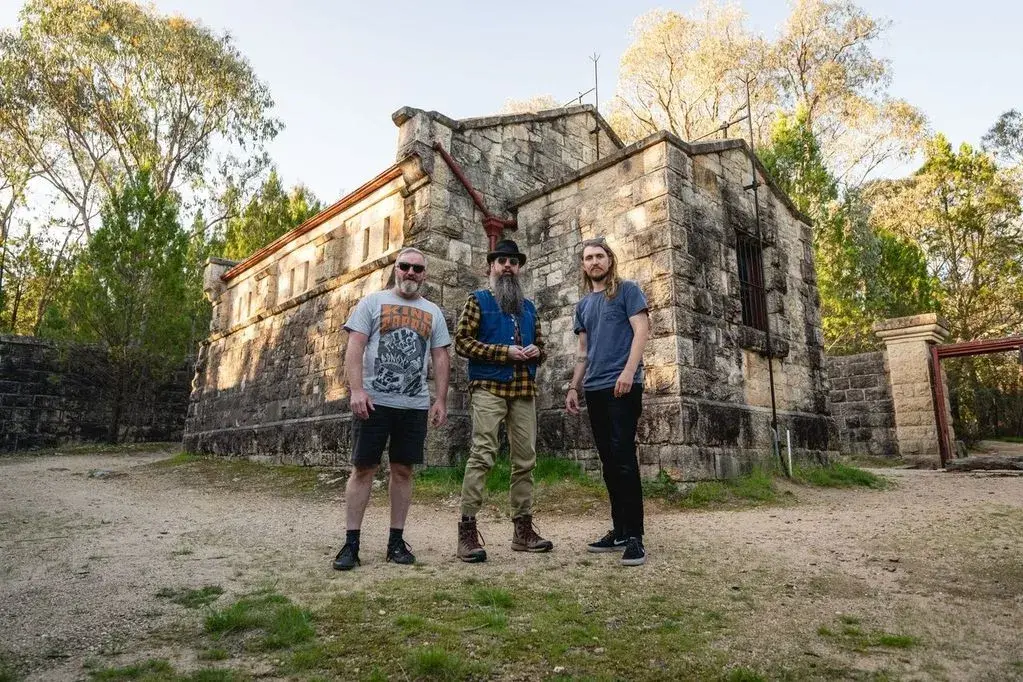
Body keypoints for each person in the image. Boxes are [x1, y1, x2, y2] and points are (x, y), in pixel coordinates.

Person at [332, 247, 451, 571]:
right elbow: (354, 346)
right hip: (373, 402)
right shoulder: (372, 303)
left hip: (413, 404)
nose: (411, 273)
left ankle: (395, 542)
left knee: (403, 470)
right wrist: (356, 390)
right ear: (395, 268)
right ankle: (351, 543)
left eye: (417, 269)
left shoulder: (433, 312)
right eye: (405, 267)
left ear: (424, 274)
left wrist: (439, 399)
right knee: (363, 469)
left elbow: (441, 356)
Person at [453, 239, 554, 562]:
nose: (507, 266)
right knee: (483, 454)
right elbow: (462, 343)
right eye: (501, 261)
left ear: (519, 268)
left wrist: (538, 351)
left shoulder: (530, 307)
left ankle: (522, 530)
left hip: (524, 389)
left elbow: (541, 344)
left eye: (513, 261)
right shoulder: (478, 300)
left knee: (526, 460)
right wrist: (502, 352)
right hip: (488, 386)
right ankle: (467, 531)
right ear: (491, 267)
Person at [565, 237, 650, 566]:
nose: (594, 261)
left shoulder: (627, 291)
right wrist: (574, 387)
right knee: (609, 462)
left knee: (625, 458)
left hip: (623, 385)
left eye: (599, 256)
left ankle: (635, 537)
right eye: (588, 257)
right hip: (596, 388)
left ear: (610, 260)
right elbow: (583, 352)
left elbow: (641, 332)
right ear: (584, 265)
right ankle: (618, 530)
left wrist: (629, 372)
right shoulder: (583, 306)